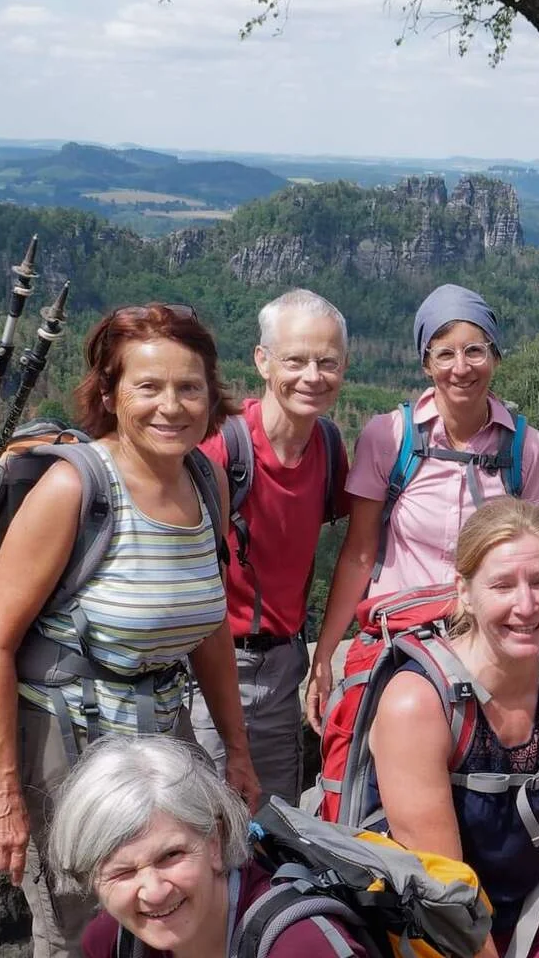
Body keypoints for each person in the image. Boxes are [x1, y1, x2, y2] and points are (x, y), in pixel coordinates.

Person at [0, 303, 260, 958]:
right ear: (109, 394)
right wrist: (1, 796)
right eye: (148, 386)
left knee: (181, 908)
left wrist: (235, 750)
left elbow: (210, 627)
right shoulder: (74, 490)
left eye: (189, 387)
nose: (172, 406)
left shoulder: (206, 480)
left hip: (165, 731)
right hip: (68, 741)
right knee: (85, 924)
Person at [367, 497, 539, 958]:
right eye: (502, 585)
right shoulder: (417, 703)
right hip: (429, 920)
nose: (526, 605)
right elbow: (443, 887)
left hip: (532, 908)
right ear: (464, 592)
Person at [307, 284, 539, 728]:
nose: (461, 368)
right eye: (445, 355)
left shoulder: (524, 447)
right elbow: (360, 553)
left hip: (488, 647)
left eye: (474, 351)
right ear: (426, 363)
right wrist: (324, 654)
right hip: (400, 646)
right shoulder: (390, 437)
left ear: (495, 356)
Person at [192, 289, 350, 802]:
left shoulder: (328, 446)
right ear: (262, 361)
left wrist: (324, 654)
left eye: (327, 362)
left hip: (284, 665)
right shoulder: (222, 447)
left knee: (275, 819)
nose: (312, 376)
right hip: (210, 665)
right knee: (208, 817)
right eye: (295, 360)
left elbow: (356, 548)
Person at [50, 735, 376, 958]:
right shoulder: (112, 940)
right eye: (123, 872)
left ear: (215, 842)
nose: (154, 892)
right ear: (91, 879)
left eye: (171, 855)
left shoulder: (304, 946)